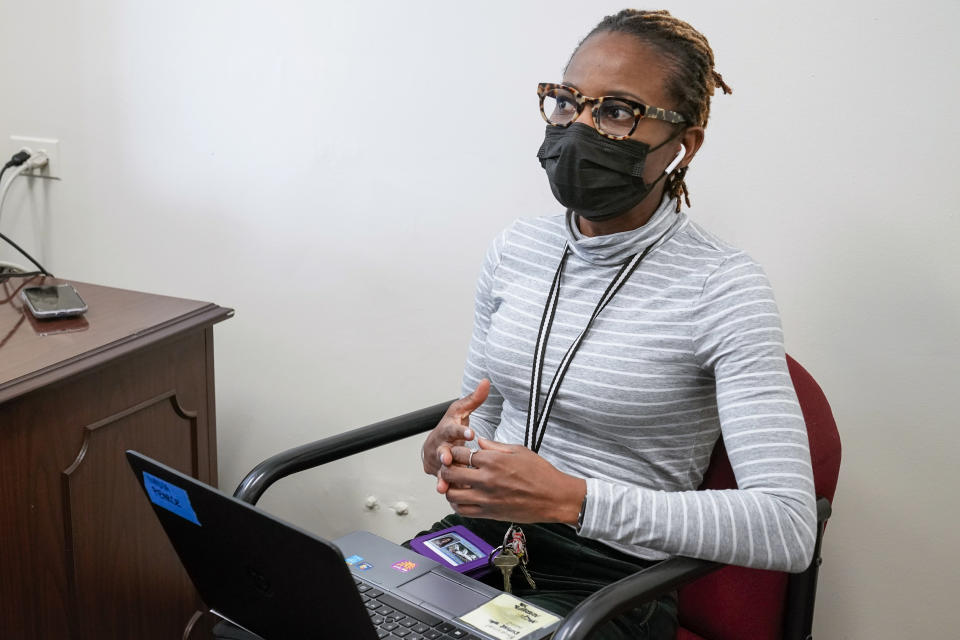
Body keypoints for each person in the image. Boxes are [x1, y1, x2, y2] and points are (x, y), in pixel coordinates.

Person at [418, 9, 817, 640]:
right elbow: (481, 412)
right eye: (567, 102)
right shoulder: (516, 249)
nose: (579, 128)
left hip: (613, 581)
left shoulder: (724, 287)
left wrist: (574, 497)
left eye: (616, 111)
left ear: (681, 146)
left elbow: (788, 525)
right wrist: (450, 443)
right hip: (485, 544)